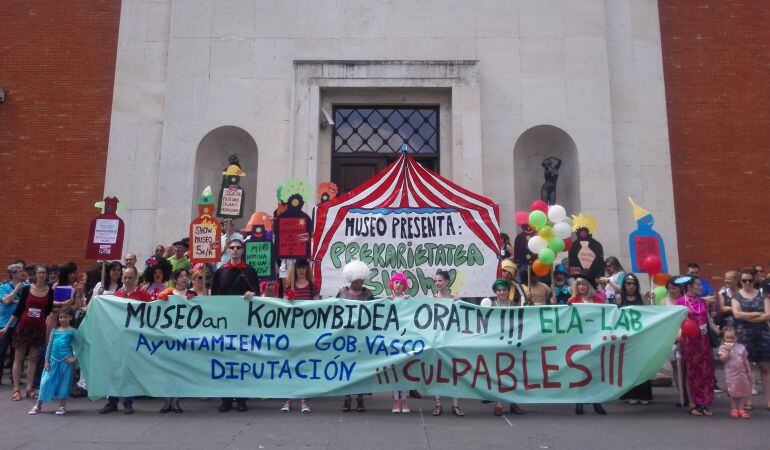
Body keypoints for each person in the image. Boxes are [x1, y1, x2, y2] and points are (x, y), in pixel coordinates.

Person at [211, 238, 258, 413]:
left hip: (243, 323)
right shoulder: (220, 272)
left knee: (241, 361)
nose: (235, 250)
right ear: (228, 250)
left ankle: (242, 399)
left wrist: (252, 293)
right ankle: (225, 399)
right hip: (225, 323)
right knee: (225, 360)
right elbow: (214, 297)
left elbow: (257, 294)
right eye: (232, 248)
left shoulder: (249, 271)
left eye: (238, 248)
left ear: (242, 251)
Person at [100, 267, 152, 414]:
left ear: (136, 279)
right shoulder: (116, 295)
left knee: (129, 371)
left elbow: (151, 313)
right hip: (117, 338)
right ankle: (112, 401)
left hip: (134, 338)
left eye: (130, 277)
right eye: (125, 278)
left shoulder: (143, 295)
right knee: (114, 369)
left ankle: (128, 402)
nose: (127, 280)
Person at [0, 265, 53, 401]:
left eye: (44, 272)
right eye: (39, 272)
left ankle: (29, 388)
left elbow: (47, 311)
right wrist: (6, 327)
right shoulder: (26, 289)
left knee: (34, 358)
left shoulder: (49, 291)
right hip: (23, 326)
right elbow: (19, 309)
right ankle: (16, 389)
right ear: (35, 275)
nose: (41, 275)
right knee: (19, 358)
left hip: (38, 327)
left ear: (46, 275)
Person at [481, 278, 525, 416]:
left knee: (514, 372)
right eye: (499, 290)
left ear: (508, 291)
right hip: (497, 343)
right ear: (495, 292)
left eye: (504, 289)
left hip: (512, 343)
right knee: (498, 373)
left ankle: (514, 402)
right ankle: (499, 403)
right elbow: (485, 324)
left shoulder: (514, 304)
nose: (501, 292)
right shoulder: (491, 306)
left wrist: (518, 288)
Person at [337, 260, 374, 413]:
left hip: (362, 337)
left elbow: (375, 313)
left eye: (362, 280)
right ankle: (346, 397)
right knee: (346, 366)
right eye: (358, 280)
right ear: (351, 279)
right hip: (346, 336)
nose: (360, 283)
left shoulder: (368, 294)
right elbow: (334, 310)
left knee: (360, 368)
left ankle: (360, 398)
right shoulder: (342, 293)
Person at [567, 276, 608, 415]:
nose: (581, 287)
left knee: (596, 370)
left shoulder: (599, 300)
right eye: (578, 285)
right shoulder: (572, 301)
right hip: (579, 340)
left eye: (584, 284)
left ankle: (597, 402)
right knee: (580, 372)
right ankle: (579, 402)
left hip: (596, 339)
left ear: (589, 286)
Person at [731, 269, 770, 410]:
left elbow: (768, 315)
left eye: (750, 280)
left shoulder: (763, 294)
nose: (747, 283)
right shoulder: (736, 296)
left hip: (763, 335)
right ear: (740, 282)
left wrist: (746, 315)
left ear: (754, 280)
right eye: (744, 280)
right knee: (747, 368)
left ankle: (768, 400)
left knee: (765, 368)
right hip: (744, 336)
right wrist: (757, 314)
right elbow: (736, 315)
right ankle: (748, 400)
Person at [676, 276, 715, 416]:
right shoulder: (680, 302)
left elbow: (709, 320)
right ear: (689, 287)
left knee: (705, 371)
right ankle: (692, 403)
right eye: (698, 285)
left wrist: (719, 330)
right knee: (691, 371)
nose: (701, 287)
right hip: (689, 340)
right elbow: (678, 322)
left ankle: (704, 402)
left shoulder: (702, 301)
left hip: (703, 340)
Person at [28, 306, 78, 415]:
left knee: (64, 383)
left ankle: (62, 405)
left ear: (70, 318)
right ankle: (38, 405)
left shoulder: (73, 331)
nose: (62, 319)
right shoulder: (54, 331)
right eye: (60, 317)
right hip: (52, 360)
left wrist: (74, 357)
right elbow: (49, 347)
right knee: (45, 382)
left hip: (66, 361)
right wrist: (46, 361)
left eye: (65, 317)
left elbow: (81, 345)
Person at [431, 269, 464, 417]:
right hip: (436, 340)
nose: (437, 283)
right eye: (436, 281)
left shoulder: (455, 300)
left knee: (454, 372)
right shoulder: (430, 299)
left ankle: (455, 405)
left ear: (447, 282)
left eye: (440, 280)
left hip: (451, 340)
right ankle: (438, 404)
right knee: (436, 372)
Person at [618, 273, 653, 404]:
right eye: (628, 283)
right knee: (628, 367)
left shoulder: (642, 297)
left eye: (633, 283)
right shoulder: (618, 298)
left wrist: (650, 302)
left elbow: (650, 314)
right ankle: (630, 394)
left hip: (640, 337)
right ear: (624, 285)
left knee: (642, 366)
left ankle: (644, 395)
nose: (631, 286)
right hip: (626, 338)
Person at [387, 273, 411, 413]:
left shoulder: (408, 300)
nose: (398, 285)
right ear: (392, 284)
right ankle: (396, 400)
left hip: (406, 339)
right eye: (396, 282)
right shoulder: (387, 300)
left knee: (406, 369)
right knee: (394, 370)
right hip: (392, 339)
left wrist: (409, 301)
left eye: (401, 283)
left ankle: (405, 399)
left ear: (404, 286)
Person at [718, 328, 752, 418]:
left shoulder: (741, 347)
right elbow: (723, 359)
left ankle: (741, 409)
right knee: (733, 392)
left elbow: (745, 360)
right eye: (727, 338)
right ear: (724, 338)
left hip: (741, 373)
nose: (730, 340)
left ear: (736, 337)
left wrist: (749, 370)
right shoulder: (723, 348)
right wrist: (728, 351)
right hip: (731, 374)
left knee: (743, 391)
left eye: (732, 338)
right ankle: (734, 409)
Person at [0, 264, 26, 385]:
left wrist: (13, 300)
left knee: (17, 353)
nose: (23, 272)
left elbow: (27, 303)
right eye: (20, 270)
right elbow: (5, 301)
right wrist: (16, 291)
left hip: (20, 324)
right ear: (13, 273)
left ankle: (14, 377)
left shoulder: (27, 286)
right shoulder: (3, 287)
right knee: (1, 350)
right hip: (4, 324)